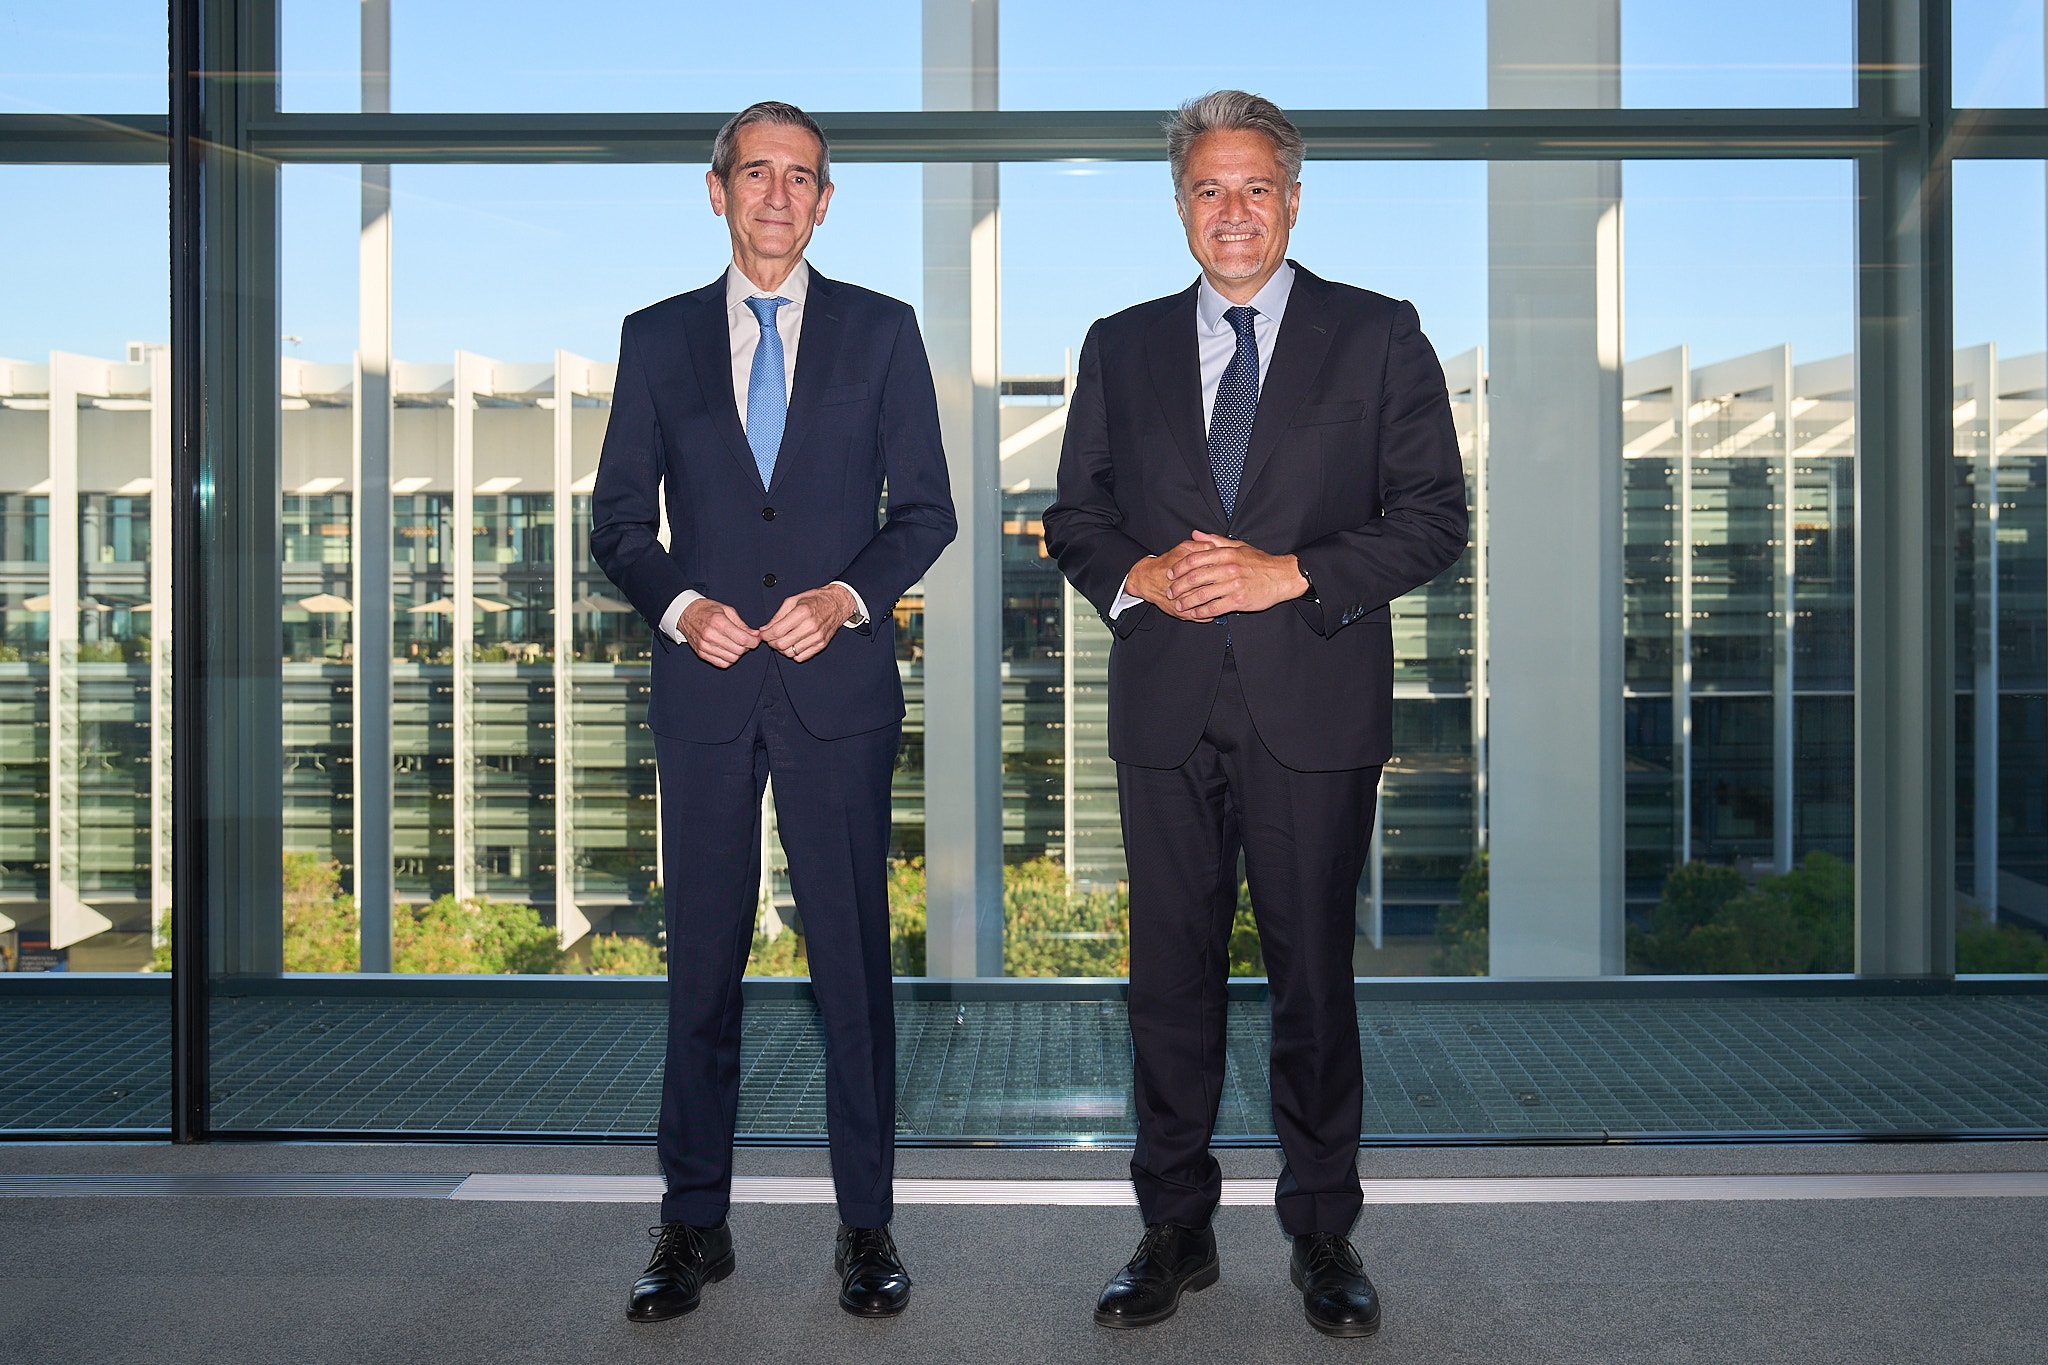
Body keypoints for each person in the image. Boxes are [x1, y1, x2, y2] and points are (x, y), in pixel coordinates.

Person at [1042, 90, 1468, 1339]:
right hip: (1164, 708)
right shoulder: (1118, 343)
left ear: (1290, 197)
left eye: (1254, 188)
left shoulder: (1377, 333)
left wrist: (1293, 574)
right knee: (1164, 984)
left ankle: (1321, 1231)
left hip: (1313, 705)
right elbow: (1074, 518)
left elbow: (1433, 519)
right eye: (1207, 190)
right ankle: (1172, 1230)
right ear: (1179, 203)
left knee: (1311, 983)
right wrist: (1139, 573)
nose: (1231, 212)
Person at [590, 100, 956, 1324]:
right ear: (718, 190)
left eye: (801, 177)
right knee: (701, 966)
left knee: (851, 968)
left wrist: (847, 597)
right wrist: (680, 604)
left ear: (825, 201)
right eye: (757, 172)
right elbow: (617, 525)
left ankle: (866, 1225)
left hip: (835, 693)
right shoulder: (654, 338)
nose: (778, 194)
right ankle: (692, 1224)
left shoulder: (881, 331)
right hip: (702, 691)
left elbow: (926, 512)